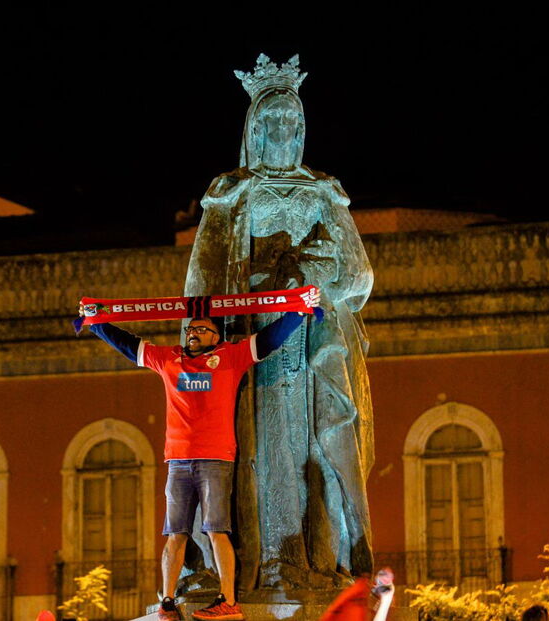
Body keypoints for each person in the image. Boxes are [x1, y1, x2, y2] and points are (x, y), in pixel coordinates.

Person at [185, 54, 374, 589]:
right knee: (259, 448)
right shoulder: (232, 192)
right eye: (272, 122)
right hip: (251, 345)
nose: (284, 132)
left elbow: (359, 276)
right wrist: (202, 346)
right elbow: (204, 278)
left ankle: (313, 559)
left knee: (313, 447)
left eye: (293, 122)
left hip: (310, 343)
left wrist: (313, 275)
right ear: (254, 129)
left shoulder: (323, 192)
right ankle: (266, 561)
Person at [83, 309, 310, 621]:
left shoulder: (230, 357)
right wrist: (96, 323)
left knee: (217, 530)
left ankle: (228, 601)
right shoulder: (168, 359)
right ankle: (167, 603)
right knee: (174, 534)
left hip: (215, 458)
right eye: (191, 328)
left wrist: (298, 313)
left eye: (202, 329)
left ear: (216, 337)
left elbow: (269, 339)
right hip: (177, 461)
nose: (193, 332)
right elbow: (127, 344)